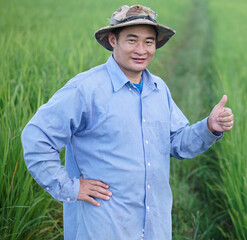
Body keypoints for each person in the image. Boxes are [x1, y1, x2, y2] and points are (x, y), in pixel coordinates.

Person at [21, 4, 234, 240]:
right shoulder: (86, 90)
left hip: (155, 227)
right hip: (104, 228)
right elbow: (36, 137)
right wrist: (70, 187)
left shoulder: (158, 89)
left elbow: (175, 143)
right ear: (113, 40)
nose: (141, 50)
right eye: (132, 40)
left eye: (149, 42)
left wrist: (209, 128)